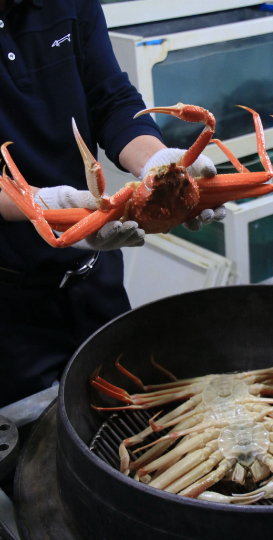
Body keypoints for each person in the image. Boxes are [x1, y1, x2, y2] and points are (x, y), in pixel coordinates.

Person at [0, 0, 224, 408]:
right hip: (9, 301)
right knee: (28, 446)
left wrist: (157, 161)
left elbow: (111, 98)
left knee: (125, 408)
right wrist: (48, 204)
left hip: (93, 280)